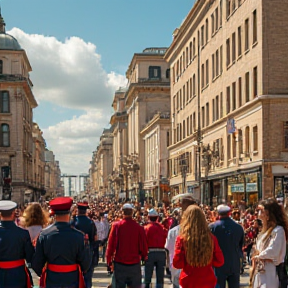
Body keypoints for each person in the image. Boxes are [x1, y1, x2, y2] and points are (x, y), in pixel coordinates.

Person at [32, 196, 91, 288]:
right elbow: (86, 264)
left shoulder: (44, 234)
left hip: (52, 279)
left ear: (54, 213)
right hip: (72, 280)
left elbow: (36, 264)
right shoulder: (79, 236)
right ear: (69, 213)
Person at [173, 205, 224, 288]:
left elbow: (177, 263)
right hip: (207, 281)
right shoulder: (211, 238)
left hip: (188, 281)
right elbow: (219, 261)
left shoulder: (182, 239)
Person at [106, 203, 148, 288]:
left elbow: (110, 245)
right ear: (132, 212)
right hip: (134, 265)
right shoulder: (139, 228)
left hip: (120, 264)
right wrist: (144, 257)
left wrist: (109, 261)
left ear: (122, 212)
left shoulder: (116, 226)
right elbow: (143, 246)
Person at [251, 198, 288, 288]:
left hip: (271, 271)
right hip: (260, 271)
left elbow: (274, 251)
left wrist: (259, 256)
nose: (258, 213)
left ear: (268, 214)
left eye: (261, 210)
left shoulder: (278, 230)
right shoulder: (263, 232)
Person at [0, 200, 35, 288]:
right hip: (17, 274)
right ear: (13, 214)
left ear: (0, 215)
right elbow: (30, 256)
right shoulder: (23, 233)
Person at [165, 194, 197, 288]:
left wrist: (170, 267)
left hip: (179, 271)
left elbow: (170, 251)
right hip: (196, 273)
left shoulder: (174, 232)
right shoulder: (204, 231)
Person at [209, 204, 244, 288]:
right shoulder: (238, 227)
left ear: (218, 213)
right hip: (234, 262)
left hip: (218, 263)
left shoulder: (213, 227)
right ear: (229, 213)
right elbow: (240, 244)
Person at [71, 201, 97, 288]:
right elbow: (94, 239)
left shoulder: (73, 222)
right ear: (86, 211)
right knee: (87, 279)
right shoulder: (91, 223)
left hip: (74, 254)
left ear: (78, 210)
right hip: (87, 253)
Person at [144, 208, 168, 288]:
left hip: (150, 253)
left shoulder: (147, 228)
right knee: (160, 277)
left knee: (147, 276)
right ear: (157, 217)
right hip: (161, 252)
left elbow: (144, 241)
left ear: (148, 217)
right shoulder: (162, 228)